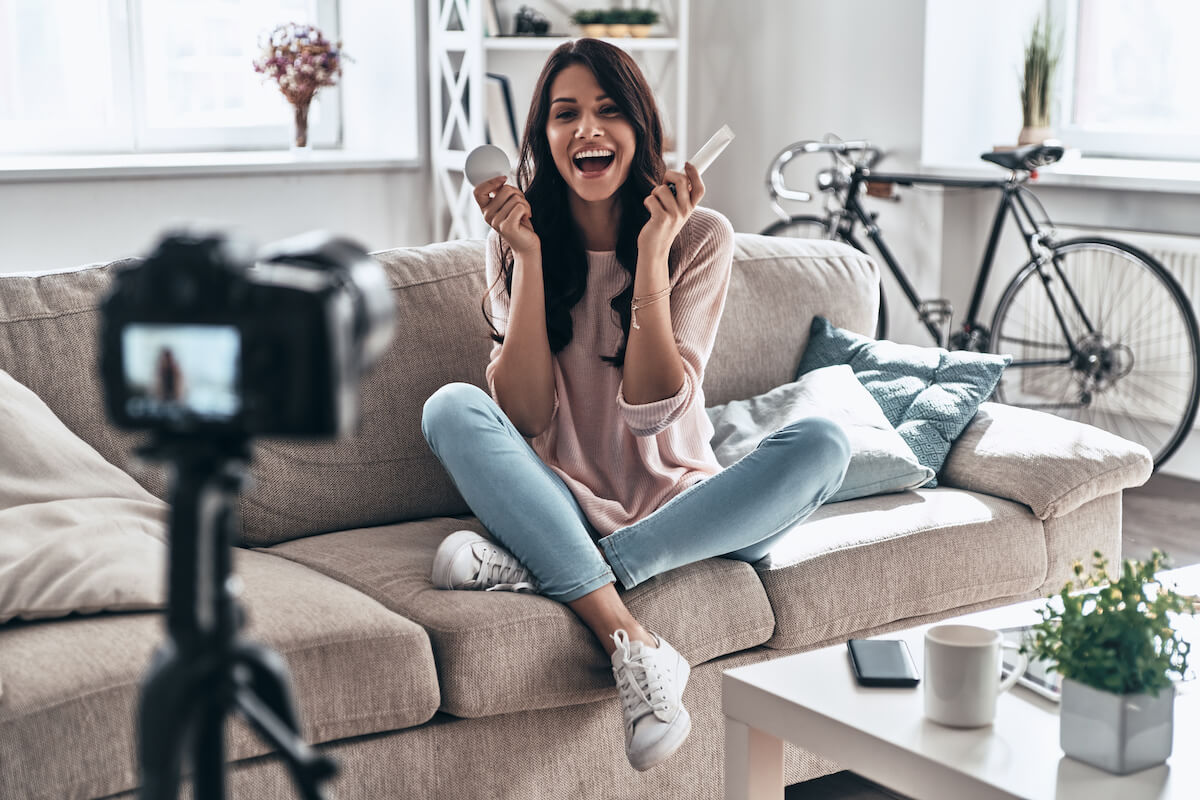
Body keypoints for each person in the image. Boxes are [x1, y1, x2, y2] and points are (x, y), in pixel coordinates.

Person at [421, 38, 850, 772]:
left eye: (608, 110)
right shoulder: (510, 244)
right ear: (543, 139)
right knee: (451, 408)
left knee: (824, 446)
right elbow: (521, 417)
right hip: (558, 501)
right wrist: (525, 257)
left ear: (641, 127)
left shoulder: (701, 239)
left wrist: (652, 255)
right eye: (565, 115)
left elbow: (653, 408)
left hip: (690, 512)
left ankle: (558, 572)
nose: (586, 129)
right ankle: (629, 635)